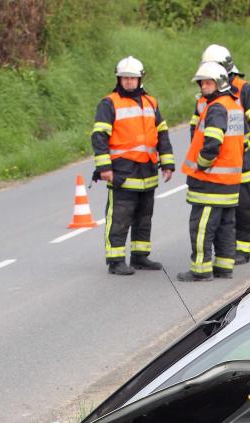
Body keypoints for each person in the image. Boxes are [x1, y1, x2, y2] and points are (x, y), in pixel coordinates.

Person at [91, 56, 175, 275]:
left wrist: (167, 162)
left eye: (132, 78)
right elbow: (99, 136)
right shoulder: (109, 103)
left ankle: (140, 256)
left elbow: (162, 134)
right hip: (122, 172)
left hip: (147, 171)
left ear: (140, 79)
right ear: (119, 80)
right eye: (125, 78)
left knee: (143, 217)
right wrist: (104, 168)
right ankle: (115, 260)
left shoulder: (150, 102)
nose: (128, 82)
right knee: (119, 217)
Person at [194, 44, 250, 264]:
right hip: (215, 164)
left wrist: (241, 147)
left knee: (243, 206)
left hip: (240, 163)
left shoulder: (244, 89)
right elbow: (196, 128)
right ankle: (223, 251)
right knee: (220, 212)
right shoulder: (206, 94)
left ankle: (243, 248)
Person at [178, 62, 245, 282]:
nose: (204, 86)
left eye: (208, 82)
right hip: (231, 180)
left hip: (211, 180)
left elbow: (213, 142)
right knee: (226, 225)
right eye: (202, 82)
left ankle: (201, 269)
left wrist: (202, 163)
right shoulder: (233, 105)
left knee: (202, 227)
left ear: (220, 83)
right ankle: (224, 267)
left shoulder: (216, 107)